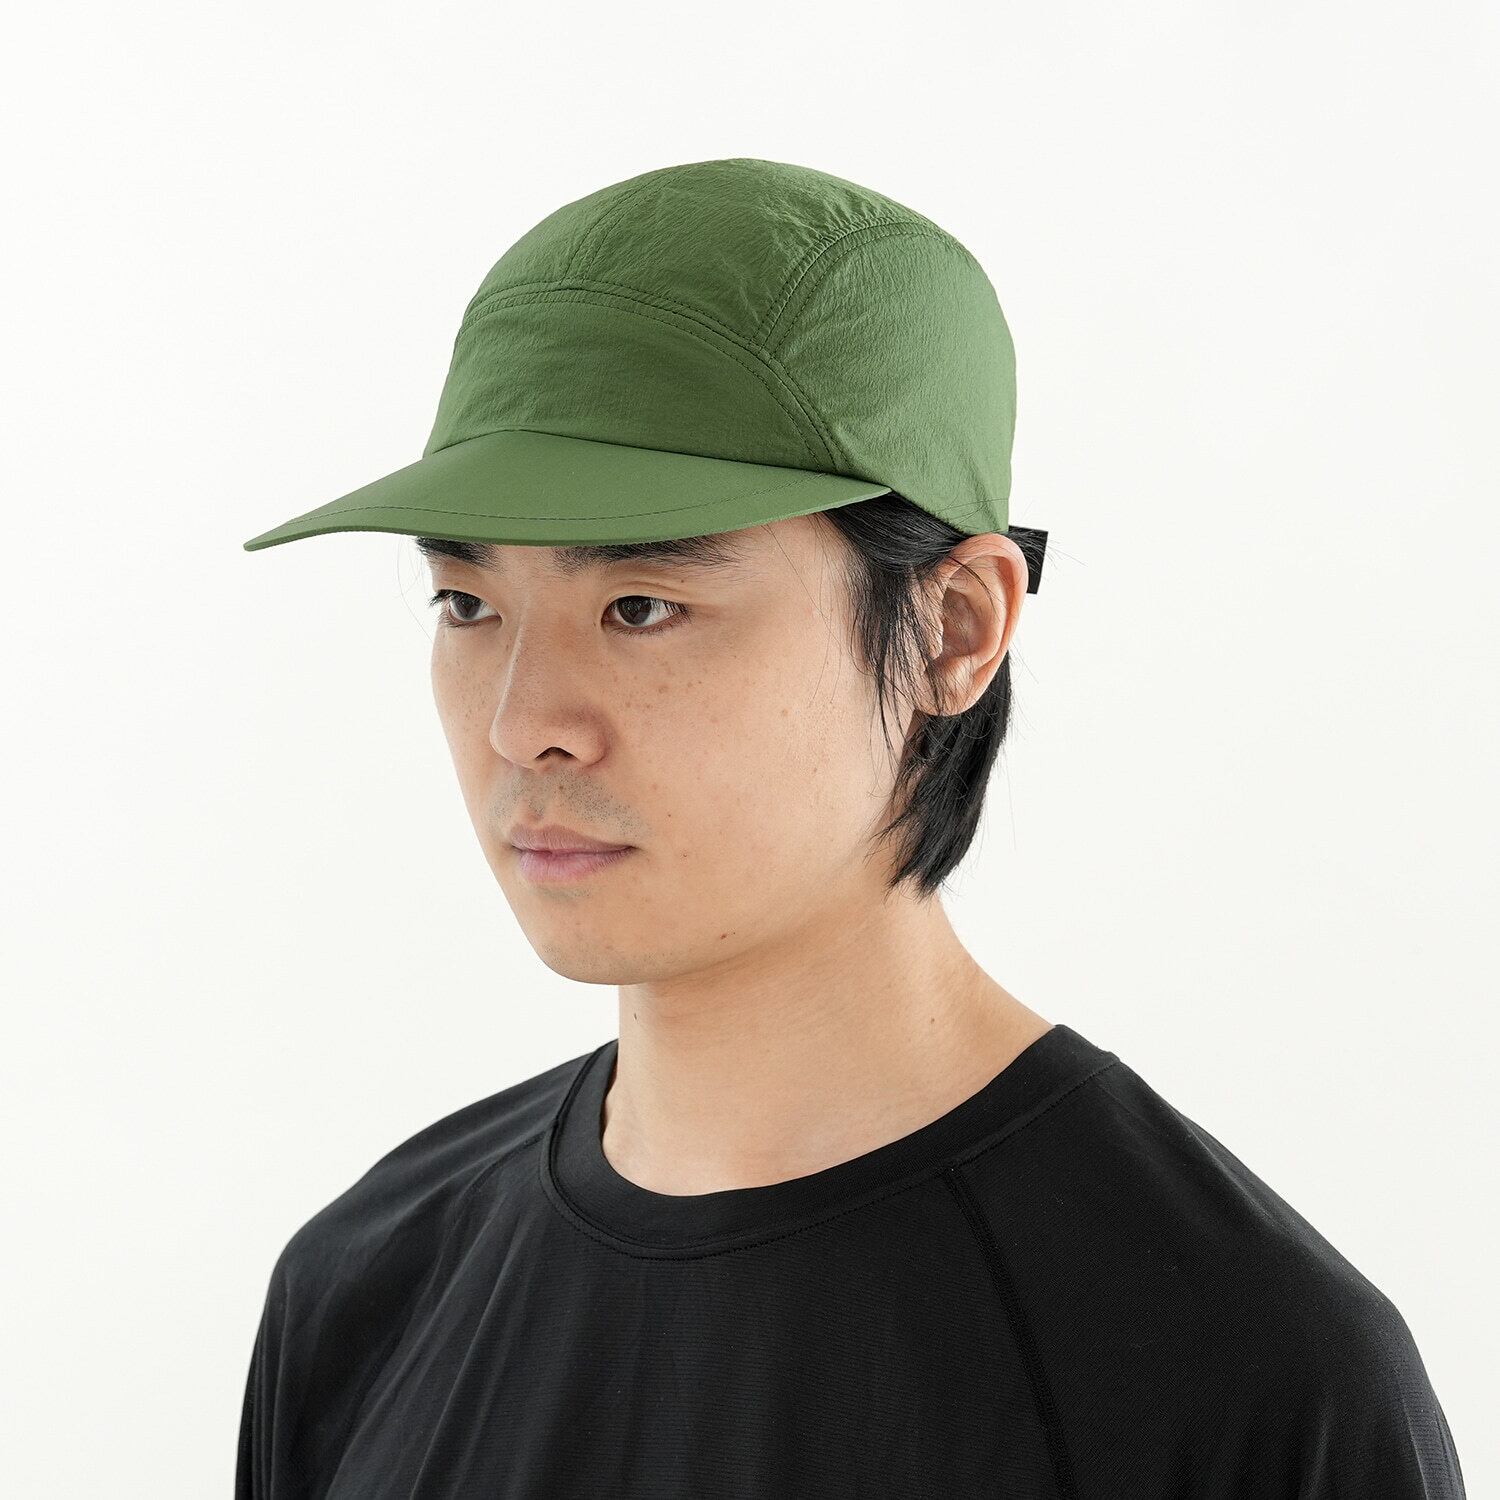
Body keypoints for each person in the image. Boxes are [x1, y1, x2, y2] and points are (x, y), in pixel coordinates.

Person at [235, 157, 1465, 1498]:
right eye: (467, 605)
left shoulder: (1235, 1375)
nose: (524, 722)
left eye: (641, 607)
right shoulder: (365, 1292)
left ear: (955, 629)